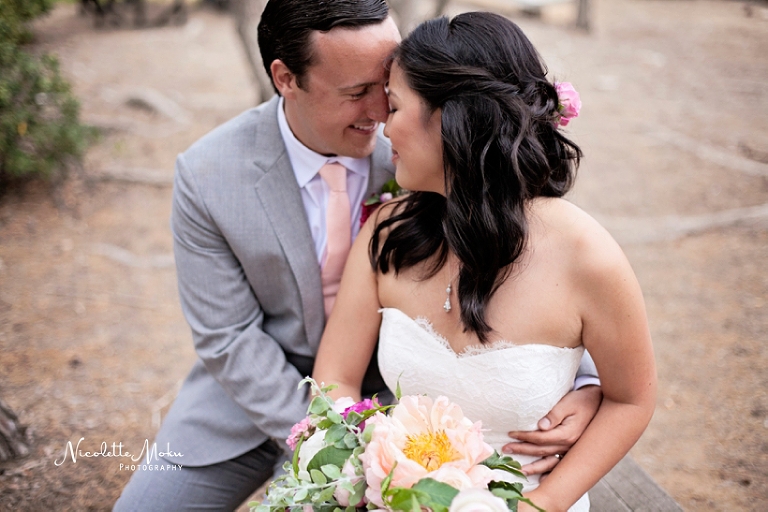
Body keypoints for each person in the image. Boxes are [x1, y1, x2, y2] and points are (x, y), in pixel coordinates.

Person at [114, 2, 600, 510]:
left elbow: (530, 263)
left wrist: (586, 383)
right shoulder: (208, 175)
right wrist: (335, 439)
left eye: (387, 90)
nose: (378, 114)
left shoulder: (429, 146)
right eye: (357, 93)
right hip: (249, 403)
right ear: (286, 78)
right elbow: (226, 337)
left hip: (413, 400)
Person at [313, 11, 657, 512]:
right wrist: (362, 469)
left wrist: (540, 504)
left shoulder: (589, 257)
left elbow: (632, 399)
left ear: (452, 120)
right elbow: (336, 379)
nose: (383, 127)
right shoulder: (386, 235)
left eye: (395, 106)